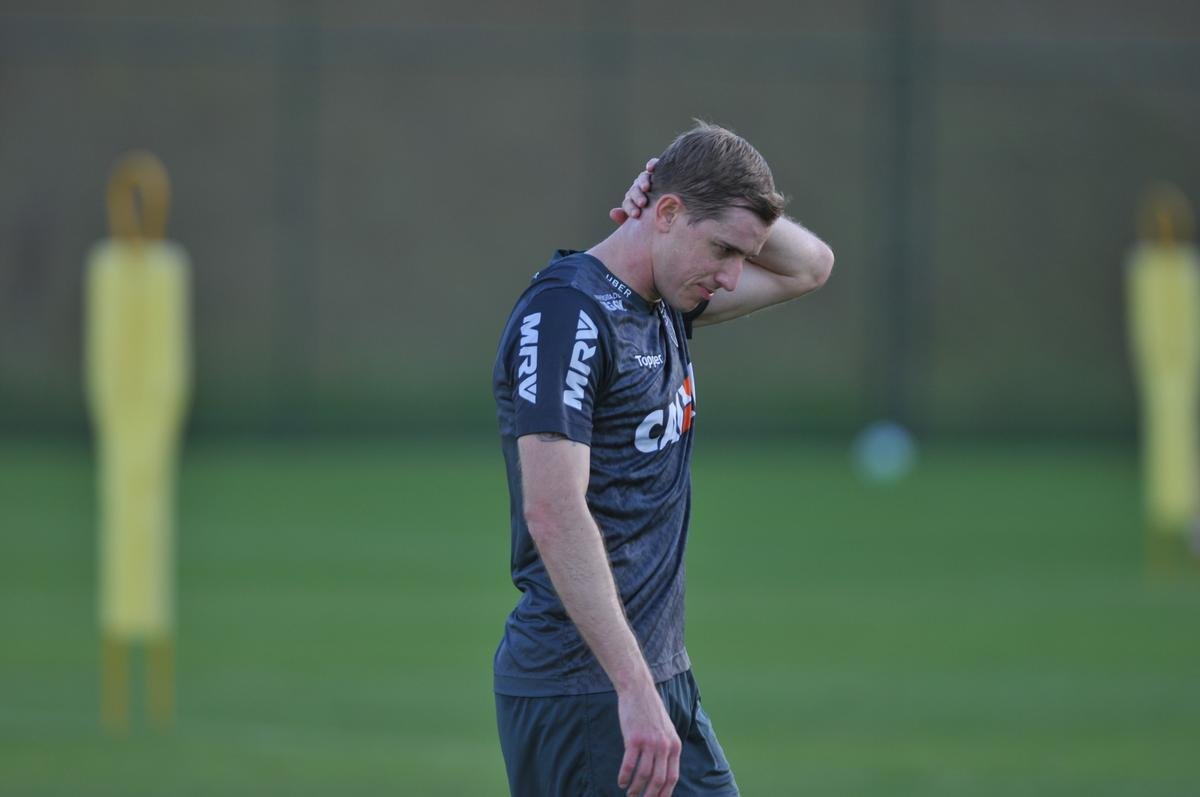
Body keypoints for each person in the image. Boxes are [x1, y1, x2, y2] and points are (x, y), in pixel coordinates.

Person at [492, 122, 834, 797]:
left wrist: (679, 192)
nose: (732, 276)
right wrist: (633, 687)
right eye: (724, 249)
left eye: (744, 254)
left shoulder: (666, 303)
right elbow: (553, 511)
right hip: (584, 690)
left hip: (657, 678)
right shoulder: (566, 316)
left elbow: (810, 265)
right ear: (670, 215)